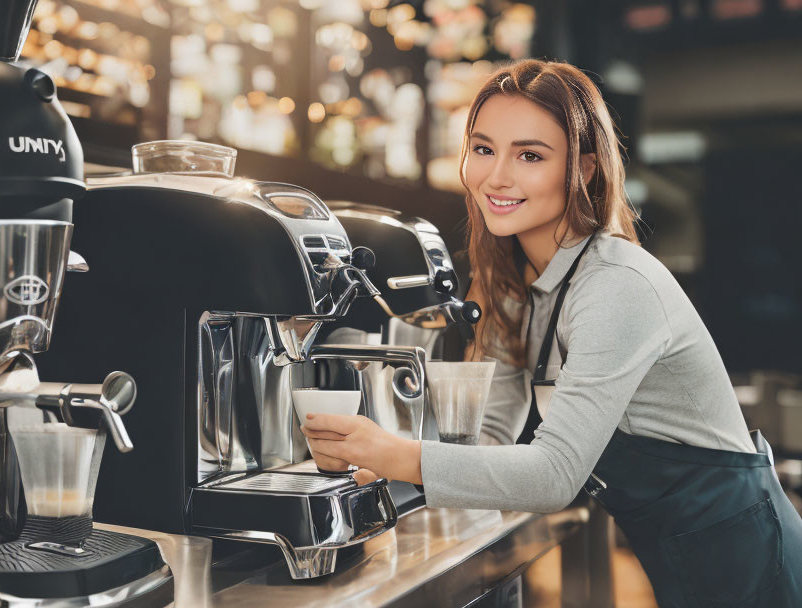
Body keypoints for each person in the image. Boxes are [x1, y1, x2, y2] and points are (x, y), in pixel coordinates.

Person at [301, 59, 802, 607]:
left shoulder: (615, 284)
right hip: (679, 553)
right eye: (484, 149)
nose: (497, 177)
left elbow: (553, 475)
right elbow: (489, 434)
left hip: (751, 560)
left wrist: (398, 454)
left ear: (584, 169)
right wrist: (376, 458)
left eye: (531, 156)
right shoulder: (517, 287)